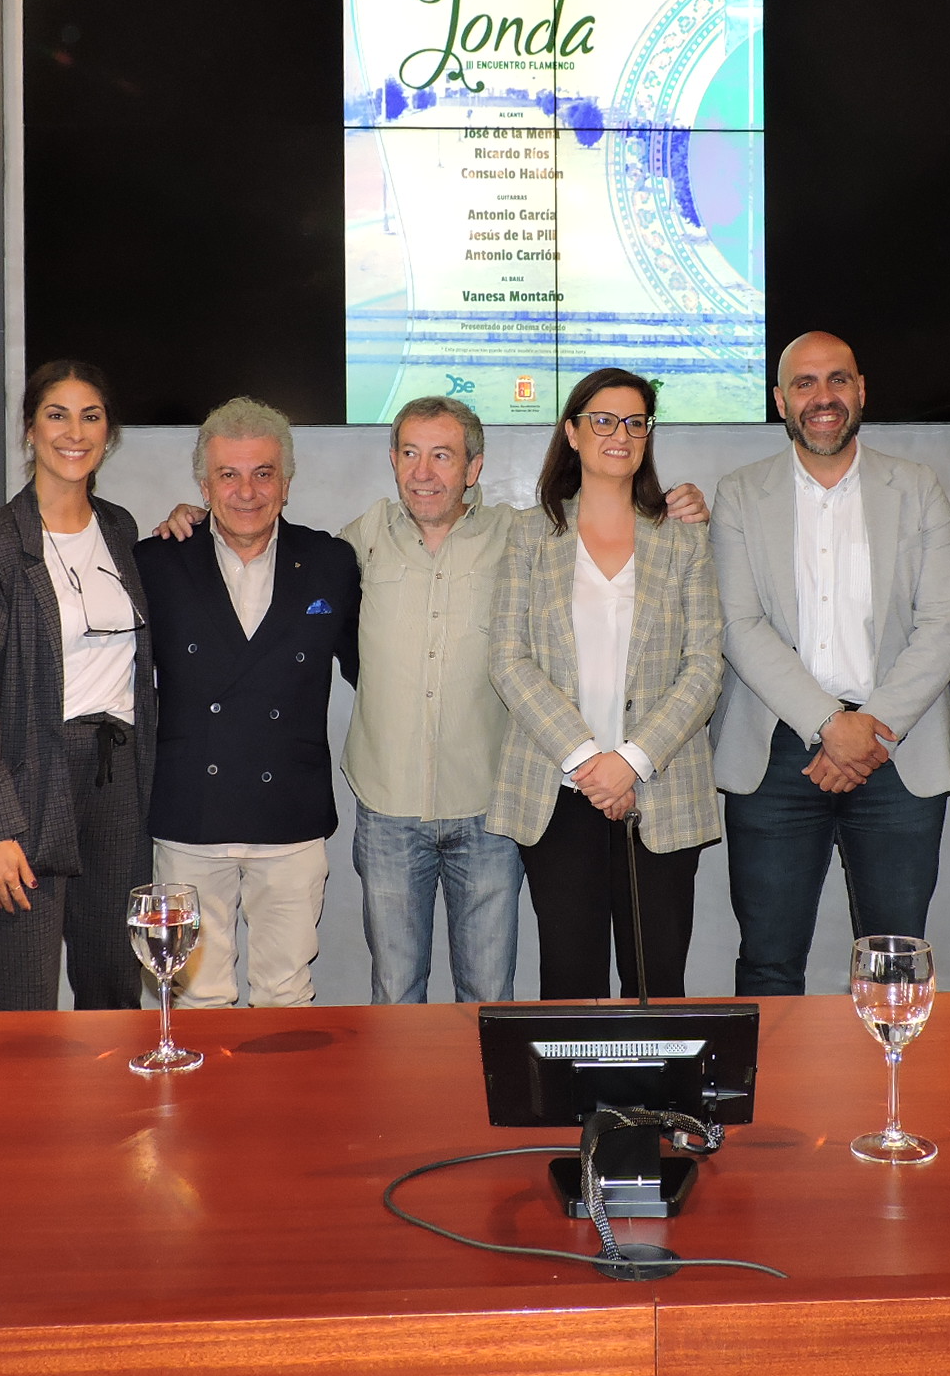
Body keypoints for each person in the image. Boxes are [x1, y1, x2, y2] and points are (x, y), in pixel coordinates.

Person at [152, 399, 709, 1006]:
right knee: (395, 992)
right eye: (411, 454)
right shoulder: (355, 544)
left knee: (488, 992)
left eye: (442, 456)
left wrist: (673, 507)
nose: (424, 472)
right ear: (392, 461)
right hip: (388, 809)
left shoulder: (521, 535)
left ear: (474, 467)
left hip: (487, 807)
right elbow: (280, 570)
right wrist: (191, 518)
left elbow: (604, 528)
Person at [711, 331, 950, 995]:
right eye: (804, 383)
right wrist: (831, 724)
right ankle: (773, 1076)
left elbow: (944, 626)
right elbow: (739, 626)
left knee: (895, 962)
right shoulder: (740, 493)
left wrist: (869, 729)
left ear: (861, 391)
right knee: (768, 961)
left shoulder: (917, 488)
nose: (822, 397)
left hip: (895, 753)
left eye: (838, 380)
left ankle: (889, 1069)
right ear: (781, 401)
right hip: (776, 754)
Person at [488, 369, 723, 999]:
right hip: (559, 789)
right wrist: (593, 763)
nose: (620, 434)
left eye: (635, 422)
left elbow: (705, 665)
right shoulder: (530, 534)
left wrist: (632, 762)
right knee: (571, 987)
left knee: (657, 983)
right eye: (603, 420)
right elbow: (508, 659)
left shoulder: (684, 538)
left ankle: (655, 1080)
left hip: (662, 788)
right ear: (572, 431)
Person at [0, 361, 152, 1011]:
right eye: (57, 415)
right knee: (23, 1004)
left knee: (115, 994)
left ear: (108, 433)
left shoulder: (121, 531)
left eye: (91, 416)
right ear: (29, 429)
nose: (74, 432)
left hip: (116, 785)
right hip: (24, 787)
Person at [134, 397, 359, 1007]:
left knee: (285, 992)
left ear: (286, 482)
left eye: (263, 473)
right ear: (204, 486)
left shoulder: (332, 562)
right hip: (190, 815)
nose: (246, 491)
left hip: (290, 814)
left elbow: (370, 667)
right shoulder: (155, 562)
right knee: (195, 996)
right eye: (228, 475)